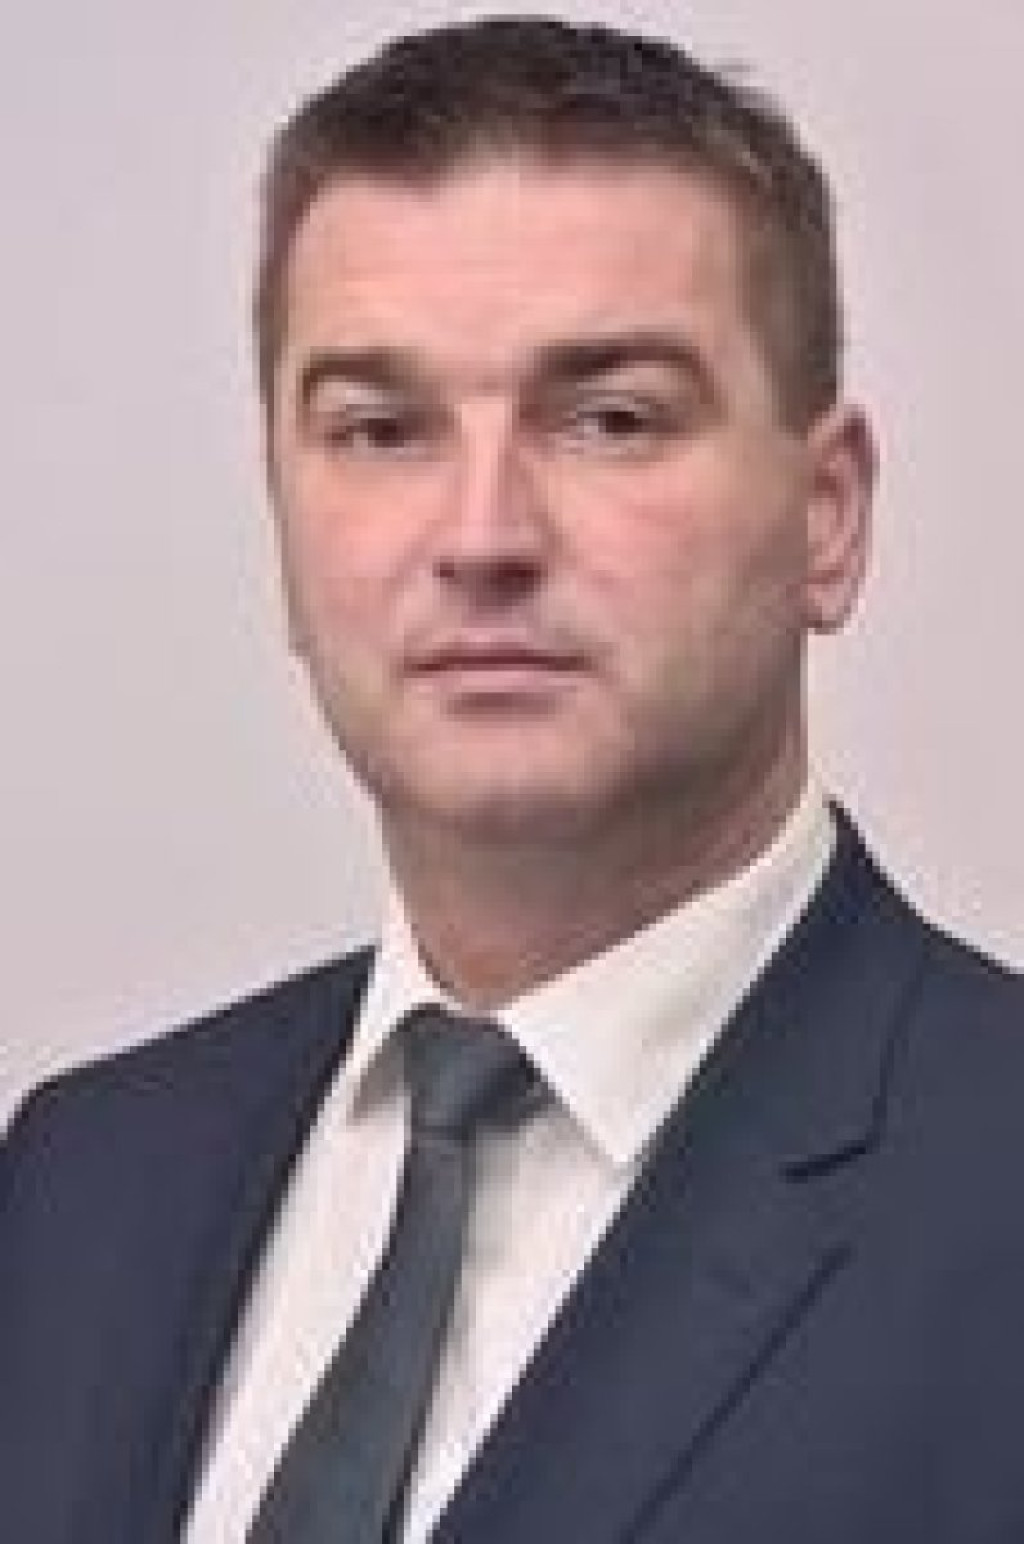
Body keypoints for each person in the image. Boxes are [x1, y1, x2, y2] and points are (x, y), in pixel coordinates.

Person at [2, 15, 1022, 1544]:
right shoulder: (83, 1180)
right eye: (381, 429)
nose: (482, 535)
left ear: (827, 515)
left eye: (609, 419)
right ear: (283, 521)